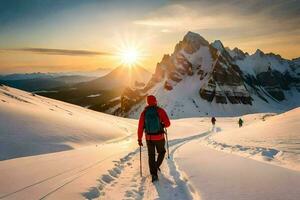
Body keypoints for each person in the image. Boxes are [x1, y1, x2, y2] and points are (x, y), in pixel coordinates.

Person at [137, 95, 171, 182]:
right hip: (159, 137)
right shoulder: (160, 110)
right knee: (162, 152)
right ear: (155, 101)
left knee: (151, 155)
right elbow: (168, 124)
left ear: (148, 102)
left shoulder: (144, 113)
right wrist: (162, 124)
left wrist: (139, 139)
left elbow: (140, 127)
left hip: (149, 138)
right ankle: (156, 166)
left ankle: (154, 174)